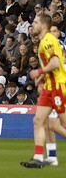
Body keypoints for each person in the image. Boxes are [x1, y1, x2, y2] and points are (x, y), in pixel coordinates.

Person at [23, 12, 66, 168]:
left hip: (58, 86)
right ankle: (39, 156)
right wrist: (42, 77)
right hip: (49, 87)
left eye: (34, 22)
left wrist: (38, 72)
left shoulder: (48, 41)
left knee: (62, 123)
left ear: (43, 25)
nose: (32, 25)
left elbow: (55, 63)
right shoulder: (43, 42)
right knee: (39, 120)